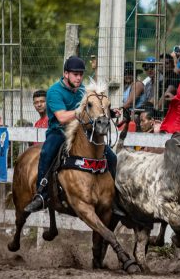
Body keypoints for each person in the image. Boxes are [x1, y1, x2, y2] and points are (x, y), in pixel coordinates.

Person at [24, 56, 117, 213]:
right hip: (59, 132)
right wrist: (81, 110)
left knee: (112, 157)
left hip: (80, 133)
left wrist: (110, 113)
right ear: (66, 74)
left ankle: (114, 198)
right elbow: (61, 117)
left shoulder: (83, 90)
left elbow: (92, 111)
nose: (79, 77)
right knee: (47, 152)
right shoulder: (54, 92)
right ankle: (41, 194)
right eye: (75, 74)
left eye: (81, 74)